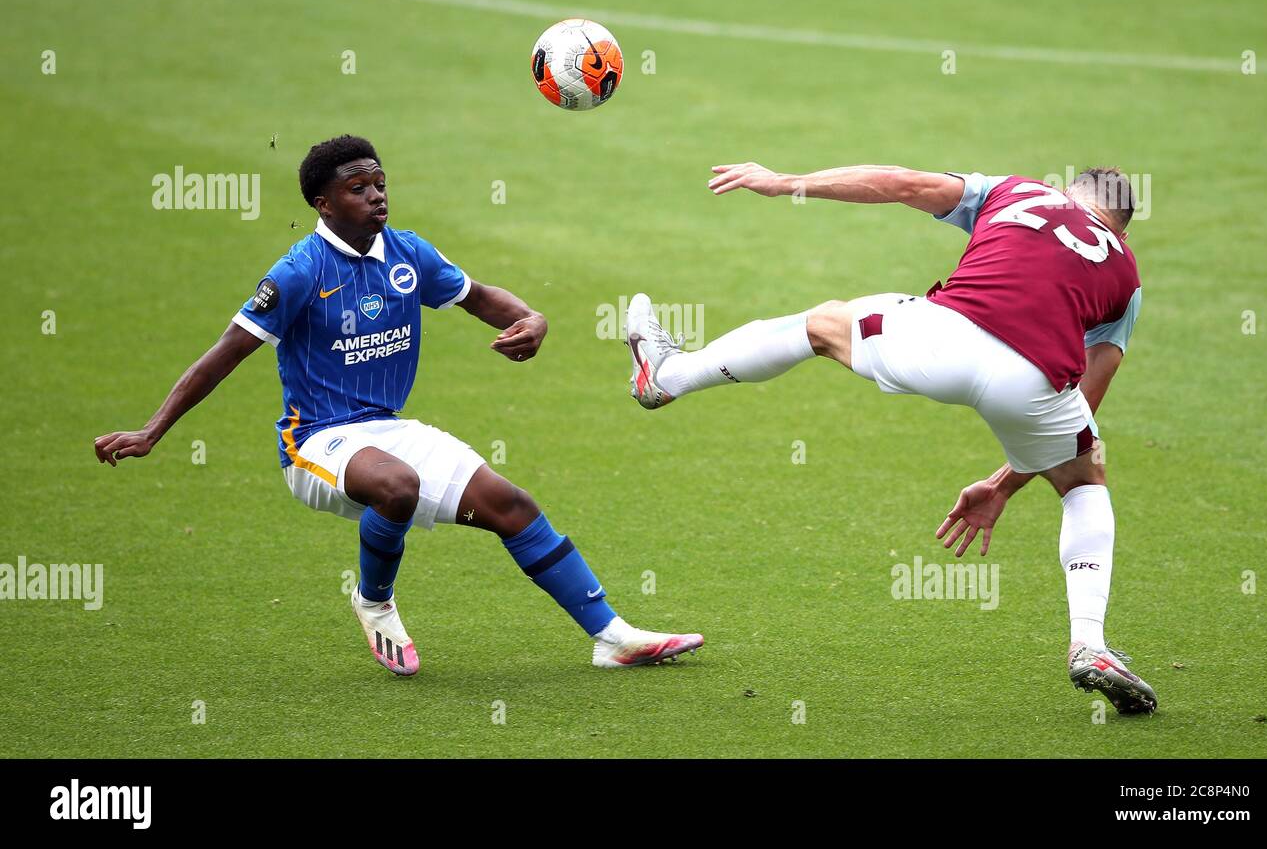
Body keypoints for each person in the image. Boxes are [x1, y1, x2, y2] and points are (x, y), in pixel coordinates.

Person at [95, 134, 702, 676]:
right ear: (323, 204)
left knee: (509, 505)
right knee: (398, 485)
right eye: (357, 188)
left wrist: (531, 319)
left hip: (387, 428)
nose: (376, 197)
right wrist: (152, 431)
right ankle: (374, 599)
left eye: (380, 183)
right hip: (315, 441)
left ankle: (613, 638)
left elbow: (482, 297)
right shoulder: (298, 272)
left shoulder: (407, 253)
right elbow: (222, 355)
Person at [624, 161, 1153, 713]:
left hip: (944, 339)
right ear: (1121, 230)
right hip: (1034, 382)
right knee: (1084, 483)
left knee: (823, 326)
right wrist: (1004, 484)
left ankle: (667, 377)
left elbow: (901, 183)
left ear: (1066, 193)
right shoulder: (1127, 277)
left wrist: (786, 183)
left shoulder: (1022, 193)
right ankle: (1089, 642)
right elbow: (1092, 386)